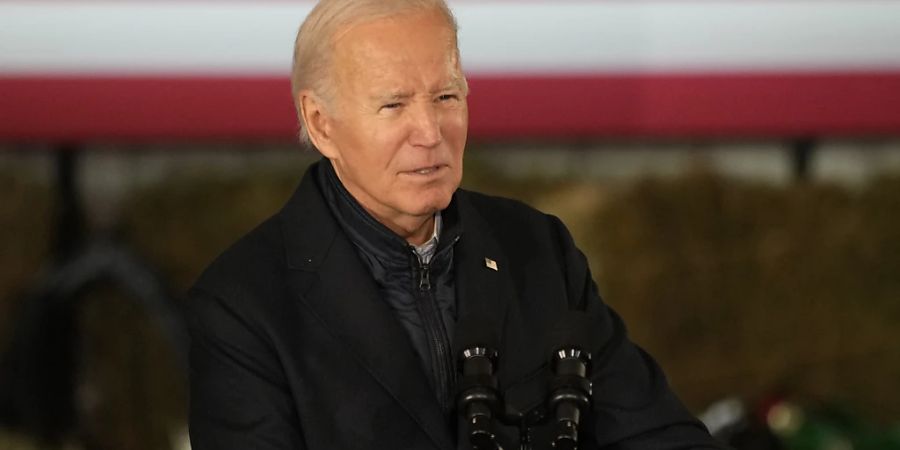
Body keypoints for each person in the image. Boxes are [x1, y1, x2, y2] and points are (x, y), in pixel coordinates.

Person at [186, 0, 727, 448]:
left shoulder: (538, 249)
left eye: (446, 96)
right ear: (321, 123)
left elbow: (660, 436)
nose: (429, 130)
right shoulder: (243, 307)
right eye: (394, 105)